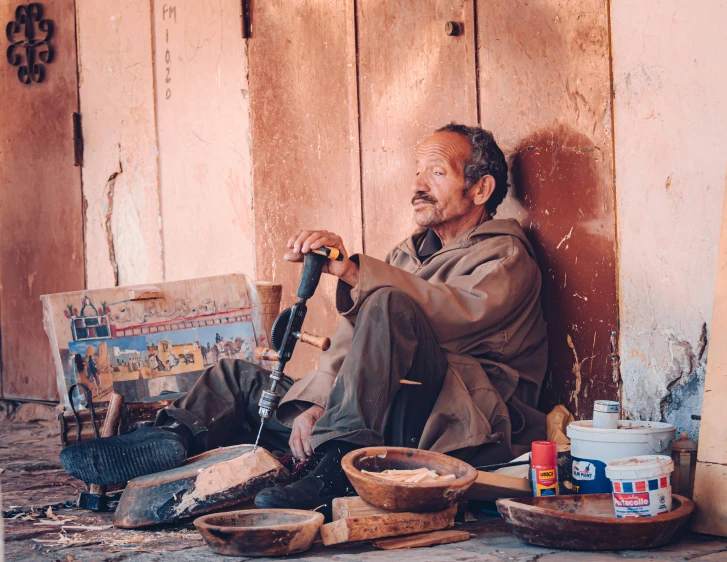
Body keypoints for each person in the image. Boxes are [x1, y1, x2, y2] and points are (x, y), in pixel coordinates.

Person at [60, 123, 547, 511]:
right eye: (416, 171)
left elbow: (448, 314)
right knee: (237, 380)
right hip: (376, 412)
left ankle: (337, 467)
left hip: (456, 420)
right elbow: (353, 339)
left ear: (480, 188)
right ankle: (171, 438)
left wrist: (356, 272)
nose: (417, 185)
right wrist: (317, 404)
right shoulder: (408, 256)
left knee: (389, 303)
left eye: (436, 173)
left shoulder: (505, 257)